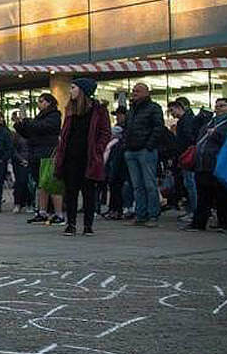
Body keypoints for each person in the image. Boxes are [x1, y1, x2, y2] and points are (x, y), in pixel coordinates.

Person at [52, 78, 111, 236]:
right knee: (70, 192)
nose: (70, 91)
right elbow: (66, 133)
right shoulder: (70, 109)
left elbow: (105, 133)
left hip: (89, 156)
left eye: (73, 87)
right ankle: (71, 224)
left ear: (82, 90)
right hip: (71, 156)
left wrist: (98, 149)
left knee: (88, 192)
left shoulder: (98, 110)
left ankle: (88, 225)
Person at [184, 97, 227, 233]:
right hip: (204, 164)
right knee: (203, 195)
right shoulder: (210, 121)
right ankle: (198, 223)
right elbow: (195, 135)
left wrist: (218, 133)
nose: (219, 108)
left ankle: (226, 224)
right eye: (217, 106)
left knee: (224, 195)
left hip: (223, 164)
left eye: (223, 106)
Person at [14, 94, 63, 225]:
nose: (39, 104)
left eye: (41, 101)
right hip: (37, 152)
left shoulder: (54, 115)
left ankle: (58, 213)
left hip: (47, 152)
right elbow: (30, 132)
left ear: (49, 102)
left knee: (50, 183)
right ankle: (42, 212)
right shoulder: (41, 116)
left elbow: (41, 127)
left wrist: (27, 121)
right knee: (41, 184)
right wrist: (20, 125)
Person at [122, 82, 165, 227]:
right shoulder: (132, 110)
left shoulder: (153, 108)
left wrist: (149, 145)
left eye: (138, 91)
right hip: (132, 150)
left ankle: (152, 215)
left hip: (145, 150)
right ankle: (141, 214)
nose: (134, 93)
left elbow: (158, 128)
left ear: (147, 92)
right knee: (137, 185)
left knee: (149, 184)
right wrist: (126, 145)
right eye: (134, 90)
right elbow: (127, 128)